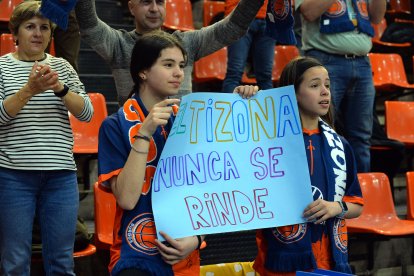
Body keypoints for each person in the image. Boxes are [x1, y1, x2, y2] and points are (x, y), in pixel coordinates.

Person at [97, 30, 258, 276]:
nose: (178, 73)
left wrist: (196, 238)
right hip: (135, 254)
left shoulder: (191, 122)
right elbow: (127, 199)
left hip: (184, 251)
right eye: (168, 64)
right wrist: (144, 133)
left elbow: (213, 192)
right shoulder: (115, 125)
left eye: (181, 65)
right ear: (143, 71)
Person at [0, 1, 94, 275]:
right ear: (15, 34)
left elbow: (87, 113)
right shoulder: (2, 68)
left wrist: (61, 89)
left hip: (61, 177)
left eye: (44, 27)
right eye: (30, 27)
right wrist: (28, 90)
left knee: (62, 262)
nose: (38, 33)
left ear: (51, 35)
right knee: (15, 262)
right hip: (13, 176)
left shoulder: (62, 66)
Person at [253, 57, 363, 275]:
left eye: (327, 85)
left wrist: (336, 207)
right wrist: (244, 99)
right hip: (281, 260)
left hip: (330, 260)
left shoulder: (341, 145)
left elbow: (357, 205)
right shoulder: (269, 143)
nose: (325, 92)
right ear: (292, 93)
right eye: (314, 85)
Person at [74, 0, 266, 105]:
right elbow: (89, 25)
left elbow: (231, 29)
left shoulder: (185, 42)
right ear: (131, 7)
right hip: (134, 136)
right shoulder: (118, 43)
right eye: (146, 2)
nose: (154, 9)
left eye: (160, 2)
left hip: (181, 140)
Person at [295, 0, 386, 172]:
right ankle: (322, 192)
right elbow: (309, 12)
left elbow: (377, 17)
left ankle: (358, 196)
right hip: (325, 61)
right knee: (320, 132)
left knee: (362, 137)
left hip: (362, 62)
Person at [222, 0, 275, 93]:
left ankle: (229, 106)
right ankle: (228, 107)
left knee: (265, 75)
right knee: (235, 72)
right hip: (239, 13)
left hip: (269, 16)